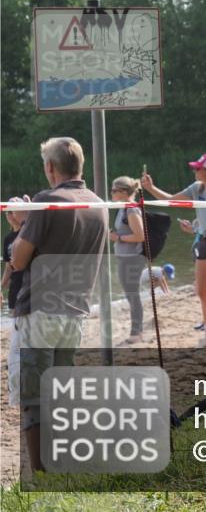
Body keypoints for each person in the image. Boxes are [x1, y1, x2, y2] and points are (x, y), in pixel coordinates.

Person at [10, 137, 108, 472]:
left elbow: (18, 260)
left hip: (40, 310)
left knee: (33, 395)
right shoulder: (98, 203)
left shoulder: (47, 201)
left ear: (50, 167)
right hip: (76, 310)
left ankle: (41, 474)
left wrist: (24, 223)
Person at [142, 153, 206, 348]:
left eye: (197, 168)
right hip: (203, 240)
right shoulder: (196, 188)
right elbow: (171, 200)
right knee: (201, 291)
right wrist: (150, 188)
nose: (194, 171)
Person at [109, 176, 147, 345]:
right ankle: (137, 330)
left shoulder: (131, 210)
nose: (111, 193)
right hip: (124, 257)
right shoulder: (123, 208)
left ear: (124, 192)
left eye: (114, 190)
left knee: (133, 294)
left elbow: (140, 236)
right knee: (130, 294)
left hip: (132, 258)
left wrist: (118, 238)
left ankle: (137, 332)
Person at [2, 197, 28, 409]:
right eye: (7, 212)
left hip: (28, 287)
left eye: (13, 211)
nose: (9, 215)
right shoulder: (8, 238)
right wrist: (1, 286)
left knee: (25, 330)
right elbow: (9, 266)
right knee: (17, 327)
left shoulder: (28, 232)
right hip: (15, 288)